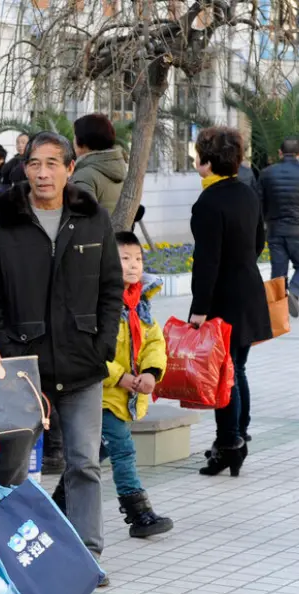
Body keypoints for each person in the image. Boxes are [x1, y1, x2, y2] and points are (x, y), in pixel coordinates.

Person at [0, 131, 124, 585]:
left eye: (52, 164)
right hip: (23, 369)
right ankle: (10, 550)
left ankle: (87, 555)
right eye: (34, 163)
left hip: (82, 361)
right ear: (24, 167)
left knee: (84, 461)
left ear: (69, 168)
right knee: (12, 466)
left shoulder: (91, 217)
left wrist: (102, 344)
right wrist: (11, 354)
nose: (43, 173)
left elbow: (111, 288)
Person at [190, 126, 272, 476]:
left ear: (207, 162)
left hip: (223, 299)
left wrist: (199, 309)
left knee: (225, 375)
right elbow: (258, 244)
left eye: (197, 157)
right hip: (249, 292)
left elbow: (207, 262)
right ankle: (238, 436)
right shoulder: (247, 193)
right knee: (236, 370)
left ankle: (229, 444)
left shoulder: (208, 202)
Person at [100, 232, 174, 536]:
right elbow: (89, 349)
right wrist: (120, 376)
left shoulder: (139, 302)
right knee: (123, 450)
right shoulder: (99, 302)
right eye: (125, 259)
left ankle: (60, 506)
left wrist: (151, 372)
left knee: (90, 458)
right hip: (101, 393)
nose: (133, 265)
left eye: (138, 259)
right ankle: (139, 514)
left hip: (126, 394)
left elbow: (154, 341)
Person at [257, 137, 299, 317]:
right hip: (297, 230)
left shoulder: (267, 173)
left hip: (274, 229)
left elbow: (259, 202)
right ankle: (295, 290)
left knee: (278, 270)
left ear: (280, 153)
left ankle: (277, 312)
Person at [71, 113, 127, 216]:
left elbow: (83, 223)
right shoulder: (120, 167)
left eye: (74, 136)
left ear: (83, 142)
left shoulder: (84, 176)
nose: (73, 141)